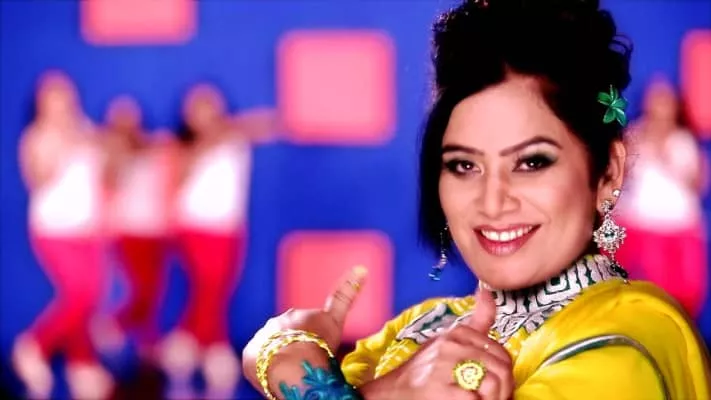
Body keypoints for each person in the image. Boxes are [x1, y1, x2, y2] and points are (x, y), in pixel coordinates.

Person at [241, 0, 711, 399]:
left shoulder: (628, 342)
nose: (492, 201)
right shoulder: (425, 325)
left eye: (531, 162)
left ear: (608, 172)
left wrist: (284, 359)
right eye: (464, 165)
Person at [157, 83, 278, 399]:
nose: (205, 113)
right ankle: (207, 350)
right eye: (197, 108)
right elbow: (175, 180)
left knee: (217, 290)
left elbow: (268, 124)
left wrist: (228, 130)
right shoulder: (181, 146)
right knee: (208, 285)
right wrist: (205, 144)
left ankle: (189, 347)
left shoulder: (235, 135)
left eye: (210, 105)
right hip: (195, 227)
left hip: (230, 228)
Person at [12, 71, 114, 399]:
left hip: (88, 229)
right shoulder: (36, 136)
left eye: (65, 94)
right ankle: (34, 346)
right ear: (41, 103)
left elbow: (100, 177)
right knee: (78, 294)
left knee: (91, 298)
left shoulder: (86, 129)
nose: (61, 102)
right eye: (52, 96)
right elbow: (38, 178)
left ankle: (81, 365)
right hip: (54, 229)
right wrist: (63, 143)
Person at [615, 76, 708, 318]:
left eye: (665, 100)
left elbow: (700, 184)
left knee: (679, 300)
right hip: (641, 227)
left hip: (677, 229)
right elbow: (618, 178)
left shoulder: (684, 139)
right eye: (655, 99)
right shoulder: (634, 135)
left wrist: (670, 160)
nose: (659, 106)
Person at [94, 95, 176, 360]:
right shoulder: (110, 151)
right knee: (142, 288)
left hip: (156, 229)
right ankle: (115, 324)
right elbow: (107, 183)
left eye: (130, 117)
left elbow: (169, 181)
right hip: (129, 229)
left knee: (155, 291)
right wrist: (115, 152)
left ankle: (148, 344)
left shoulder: (157, 148)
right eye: (119, 119)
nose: (126, 123)